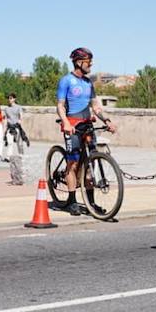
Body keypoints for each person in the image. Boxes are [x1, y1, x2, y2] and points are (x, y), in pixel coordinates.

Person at [55, 47, 117, 216]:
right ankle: (72, 201)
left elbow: (95, 106)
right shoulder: (66, 81)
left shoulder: (89, 83)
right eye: (89, 61)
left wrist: (107, 120)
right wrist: (66, 123)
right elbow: (60, 105)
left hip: (87, 125)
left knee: (90, 164)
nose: (91, 64)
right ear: (78, 62)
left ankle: (91, 203)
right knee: (73, 164)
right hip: (72, 125)